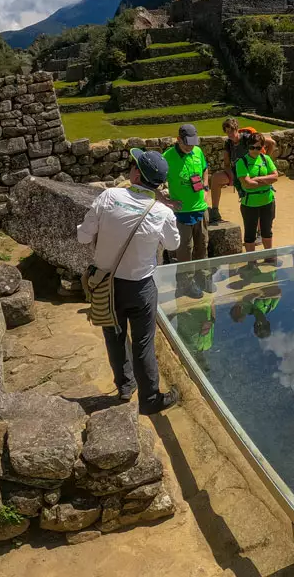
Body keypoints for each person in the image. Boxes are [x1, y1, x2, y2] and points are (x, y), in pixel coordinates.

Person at [76, 149, 180, 415]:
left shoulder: (109, 196)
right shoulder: (161, 212)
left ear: (135, 174)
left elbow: (83, 237)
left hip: (106, 284)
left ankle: (124, 386)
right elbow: (173, 243)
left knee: (114, 335)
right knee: (143, 342)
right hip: (141, 285)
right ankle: (150, 398)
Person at [161, 123, 209, 265]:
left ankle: (204, 279)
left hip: (201, 209)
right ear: (178, 139)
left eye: (193, 144)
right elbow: (151, 183)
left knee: (203, 247)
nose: (190, 147)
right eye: (187, 144)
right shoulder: (167, 157)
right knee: (184, 251)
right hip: (181, 212)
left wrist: (206, 188)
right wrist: (165, 201)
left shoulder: (198, 152)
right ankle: (186, 284)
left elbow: (205, 169)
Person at [235, 131, 279, 252]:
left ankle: (268, 257)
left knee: (267, 231)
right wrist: (266, 181)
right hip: (250, 204)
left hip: (267, 201)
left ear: (263, 147)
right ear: (248, 147)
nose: (255, 150)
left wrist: (257, 179)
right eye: (252, 147)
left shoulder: (266, 159)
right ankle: (251, 262)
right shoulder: (241, 162)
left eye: (258, 147)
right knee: (250, 234)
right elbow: (247, 184)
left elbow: (275, 177)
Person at [209, 118, 245, 223]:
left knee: (249, 203)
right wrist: (232, 177)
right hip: (236, 173)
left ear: (236, 129)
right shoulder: (228, 143)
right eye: (227, 131)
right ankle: (215, 212)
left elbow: (271, 142)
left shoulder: (247, 138)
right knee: (216, 178)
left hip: (250, 173)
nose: (229, 134)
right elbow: (227, 164)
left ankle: (259, 231)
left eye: (231, 131)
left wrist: (266, 159)